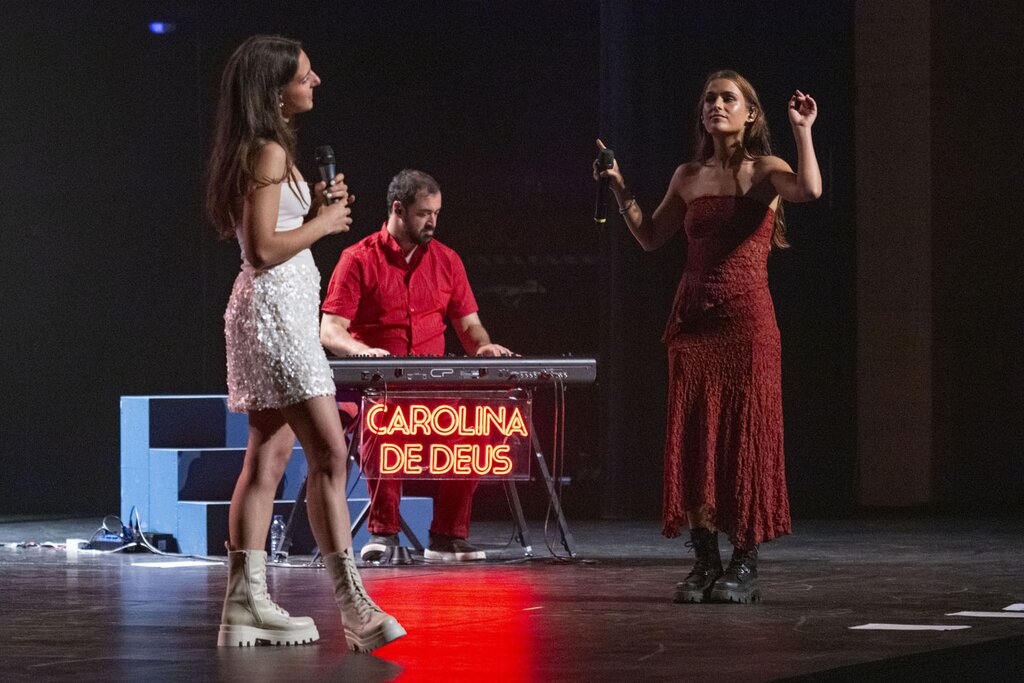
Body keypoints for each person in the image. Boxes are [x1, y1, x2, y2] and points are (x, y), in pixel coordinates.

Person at [205, 34, 405, 651]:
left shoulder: (266, 149)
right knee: (330, 454)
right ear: (275, 91)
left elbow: (271, 232)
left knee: (267, 458)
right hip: (277, 318)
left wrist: (310, 209)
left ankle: (246, 604)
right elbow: (261, 250)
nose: (315, 82)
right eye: (304, 76)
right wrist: (323, 223)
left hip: (275, 313)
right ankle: (353, 607)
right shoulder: (266, 151)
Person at [596, 70, 821, 604]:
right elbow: (651, 236)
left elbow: (810, 190)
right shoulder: (688, 175)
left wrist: (803, 130)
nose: (717, 105)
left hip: (747, 324)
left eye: (728, 99)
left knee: (743, 439)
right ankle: (705, 560)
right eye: (710, 100)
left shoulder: (766, 170)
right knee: (695, 438)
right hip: (693, 325)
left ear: (750, 113)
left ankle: (745, 561)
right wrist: (619, 186)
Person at [320, 169, 513, 563]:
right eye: (424, 213)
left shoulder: (448, 260)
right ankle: (384, 533)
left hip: (433, 389)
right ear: (398, 209)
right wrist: (363, 351)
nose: (432, 222)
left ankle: (447, 536)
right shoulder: (357, 259)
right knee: (384, 422)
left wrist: (484, 346)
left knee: (480, 426)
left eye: (437, 213)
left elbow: (469, 326)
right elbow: (330, 331)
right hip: (376, 389)